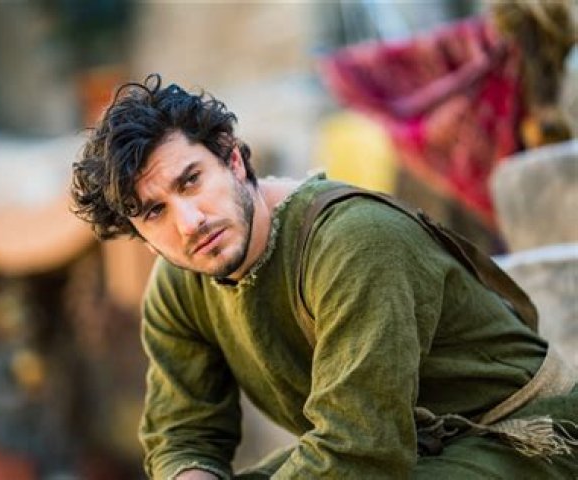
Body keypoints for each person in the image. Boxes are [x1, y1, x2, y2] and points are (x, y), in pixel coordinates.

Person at [70, 74, 577, 479]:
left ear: (232, 158)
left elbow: (359, 450)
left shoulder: (354, 241)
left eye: (191, 181)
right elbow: (184, 432)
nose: (189, 222)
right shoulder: (179, 284)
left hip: (521, 436)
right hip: (403, 449)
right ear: (139, 234)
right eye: (154, 211)